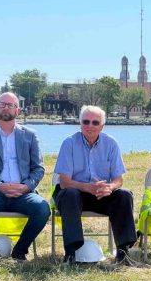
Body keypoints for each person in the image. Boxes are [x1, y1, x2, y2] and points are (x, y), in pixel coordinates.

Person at [53, 105, 137, 265]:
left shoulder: (111, 144)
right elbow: (64, 182)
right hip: (73, 192)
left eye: (95, 122)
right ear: (80, 123)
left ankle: (123, 253)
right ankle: (71, 253)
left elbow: (118, 180)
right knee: (70, 194)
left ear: (102, 126)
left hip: (100, 194)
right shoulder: (69, 143)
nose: (90, 126)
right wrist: (88, 187)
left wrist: (109, 188)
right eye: (86, 121)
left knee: (124, 195)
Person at [0, 92, 50, 260]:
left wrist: (26, 186)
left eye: (11, 105)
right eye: (2, 104)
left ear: (18, 110)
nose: (6, 107)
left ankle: (20, 251)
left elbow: (38, 168)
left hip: (22, 192)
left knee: (43, 208)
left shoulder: (30, 135)